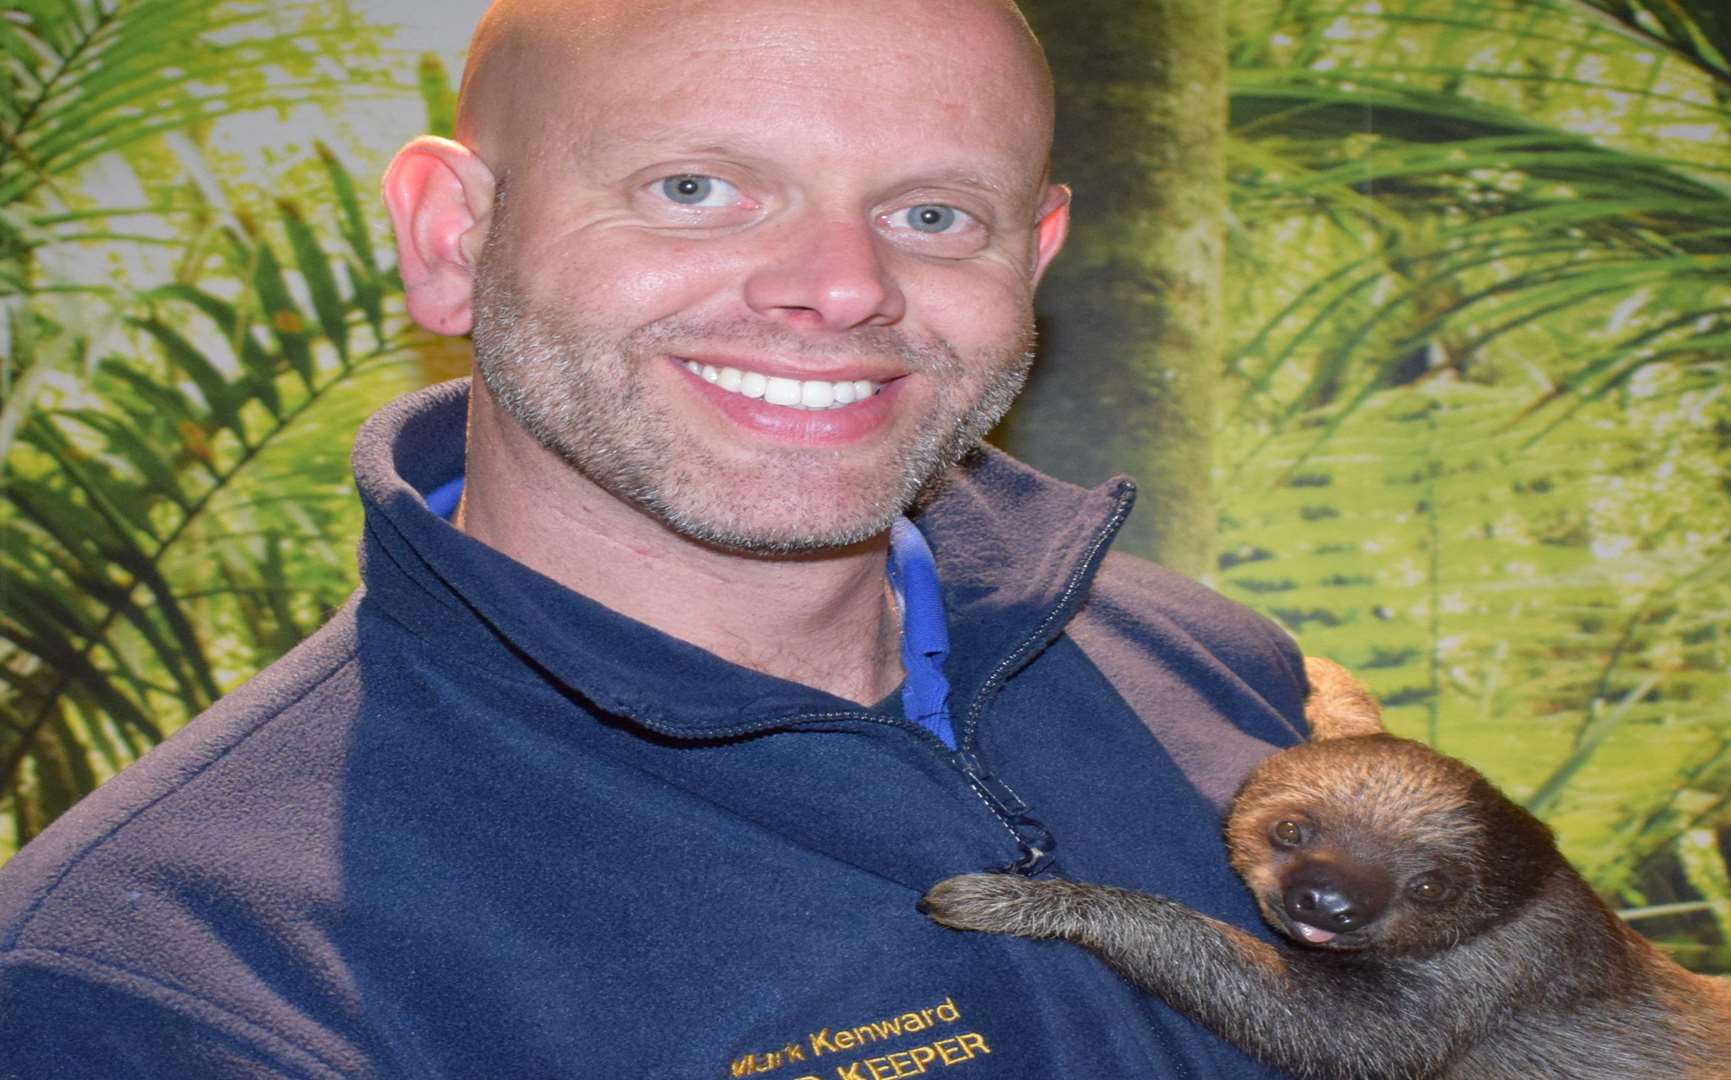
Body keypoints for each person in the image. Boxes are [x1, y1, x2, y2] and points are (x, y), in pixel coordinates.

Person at [0, 0, 1309, 1075]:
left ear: (1031, 255)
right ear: (453, 236)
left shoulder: (1221, 670)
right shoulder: (184, 978)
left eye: (933, 215)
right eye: (695, 187)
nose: (843, 286)